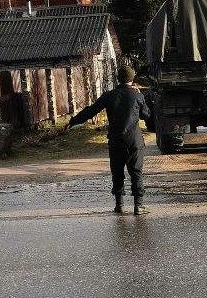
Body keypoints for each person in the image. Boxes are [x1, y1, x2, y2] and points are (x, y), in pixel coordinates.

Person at [65, 65, 152, 215]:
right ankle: (139, 205)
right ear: (132, 79)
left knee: (117, 171)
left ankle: (119, 205)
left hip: (115, 139)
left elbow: (91, 111)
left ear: (118, 79)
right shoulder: (137, 95)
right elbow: (147, 115)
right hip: (134, 140)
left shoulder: (109, 95)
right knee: (136, 171)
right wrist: (141, 98)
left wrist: (72, 122)